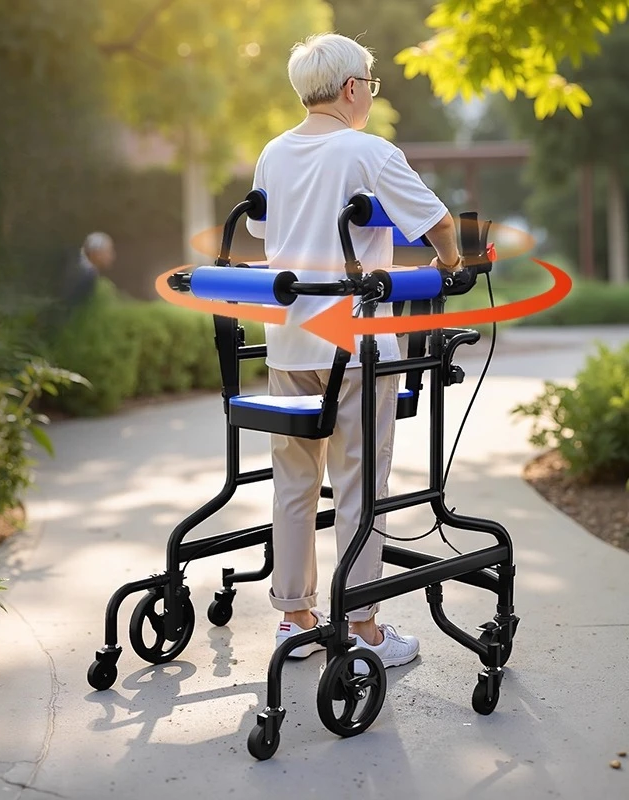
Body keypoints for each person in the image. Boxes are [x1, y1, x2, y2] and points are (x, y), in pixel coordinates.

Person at [245, 32, 464, 670]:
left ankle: (294, 618)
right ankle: (364, 625)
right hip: (358, 343)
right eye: (369, 84)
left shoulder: (272, 153)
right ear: (352, 89)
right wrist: (449, 266)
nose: (370, 95)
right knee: (359, 481)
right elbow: (440, 224)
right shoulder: (369, 151)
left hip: (288, 342)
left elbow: (263, 228)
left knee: (294, 479)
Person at [61, 231, 116, 313]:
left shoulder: (79, 265)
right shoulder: (86, 275)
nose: (112, 256)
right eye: (109, 252)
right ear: (97, 253)